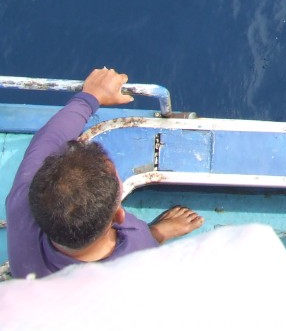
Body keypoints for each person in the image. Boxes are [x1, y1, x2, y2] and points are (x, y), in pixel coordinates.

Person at [5, 67, 204, 279]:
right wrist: (153, 235)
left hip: (34, 285)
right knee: (150, 237)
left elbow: (49, 139)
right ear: (119, 215)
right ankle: (158, 231)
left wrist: (89, 98)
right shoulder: (135, 252)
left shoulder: (21, 206)